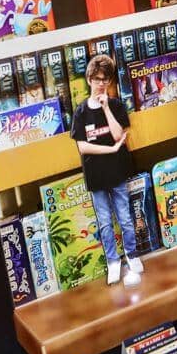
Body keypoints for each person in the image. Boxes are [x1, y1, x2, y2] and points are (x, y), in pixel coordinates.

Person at [70, 54, 143, 286]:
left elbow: (119, 135)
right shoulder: (81, 112)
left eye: (106, 79)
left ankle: (131, 254)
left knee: (125, 218)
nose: (101, 84)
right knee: (104, 222)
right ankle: (113, 261)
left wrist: (106, 109)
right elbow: (82, 147)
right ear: (89, 79)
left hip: (117, 171)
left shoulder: (117, 105)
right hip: (96, 176)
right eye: (97, 79)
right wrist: (110, 150)